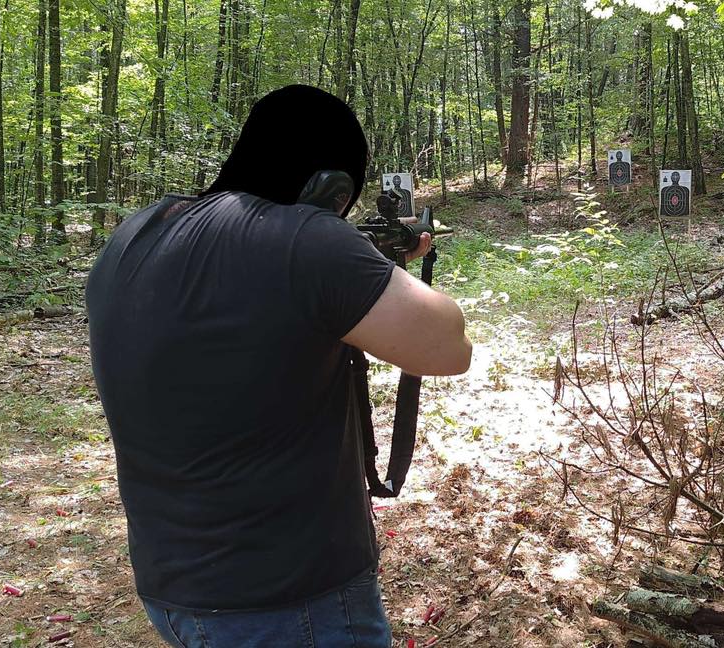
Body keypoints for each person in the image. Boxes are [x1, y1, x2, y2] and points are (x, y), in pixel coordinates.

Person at [85, 85, 472, 648]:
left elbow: (248, 319)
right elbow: (449, 347)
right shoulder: (305, 244)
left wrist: (360, 264)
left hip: (175, 587)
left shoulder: (137, 232)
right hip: (289, 600)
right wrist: (355, 257)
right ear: (331, 189)